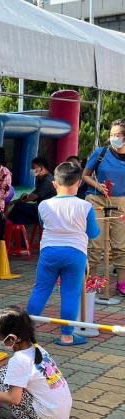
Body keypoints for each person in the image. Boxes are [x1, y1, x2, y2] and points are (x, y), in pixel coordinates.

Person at [26, 162, 100, 346]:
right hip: (76, 254)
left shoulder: (43, 205)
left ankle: (25, 334)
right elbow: (94, 233)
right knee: (71, 294)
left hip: (49, 252)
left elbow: (44, 226)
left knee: (41, 290)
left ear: (54, 184)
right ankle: (67, 336)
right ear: (79, 184)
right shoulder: (86, 206)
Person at [0, 307, 72, 419]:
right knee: (2, 374)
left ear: (13, 338)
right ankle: (35, 416)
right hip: (60, 412)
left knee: (2, 380)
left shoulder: (19, 360)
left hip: (49, 416)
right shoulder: (37, 349)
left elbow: (14, 399)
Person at [82, 119, 125, 294]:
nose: (114, 138)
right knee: (95, 245)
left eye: (118, 135)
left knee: (120, 246)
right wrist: (98, 186)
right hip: (97, 199)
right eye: (112, 135)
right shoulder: (101, 152)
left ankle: (121, 283)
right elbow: (85, 175)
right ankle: (91, 281)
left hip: (120, 202)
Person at [9, 156, 55, 225]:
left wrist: (14, 201)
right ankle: (18, 231)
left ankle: (17, 230)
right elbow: (34, 196)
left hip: (47, 212)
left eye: (33, 168)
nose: (31, 170)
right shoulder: (40, 179)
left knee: (18, 208)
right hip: (42, 208)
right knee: (18, 213)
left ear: (41, 168)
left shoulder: (47, 181)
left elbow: (31, 197)